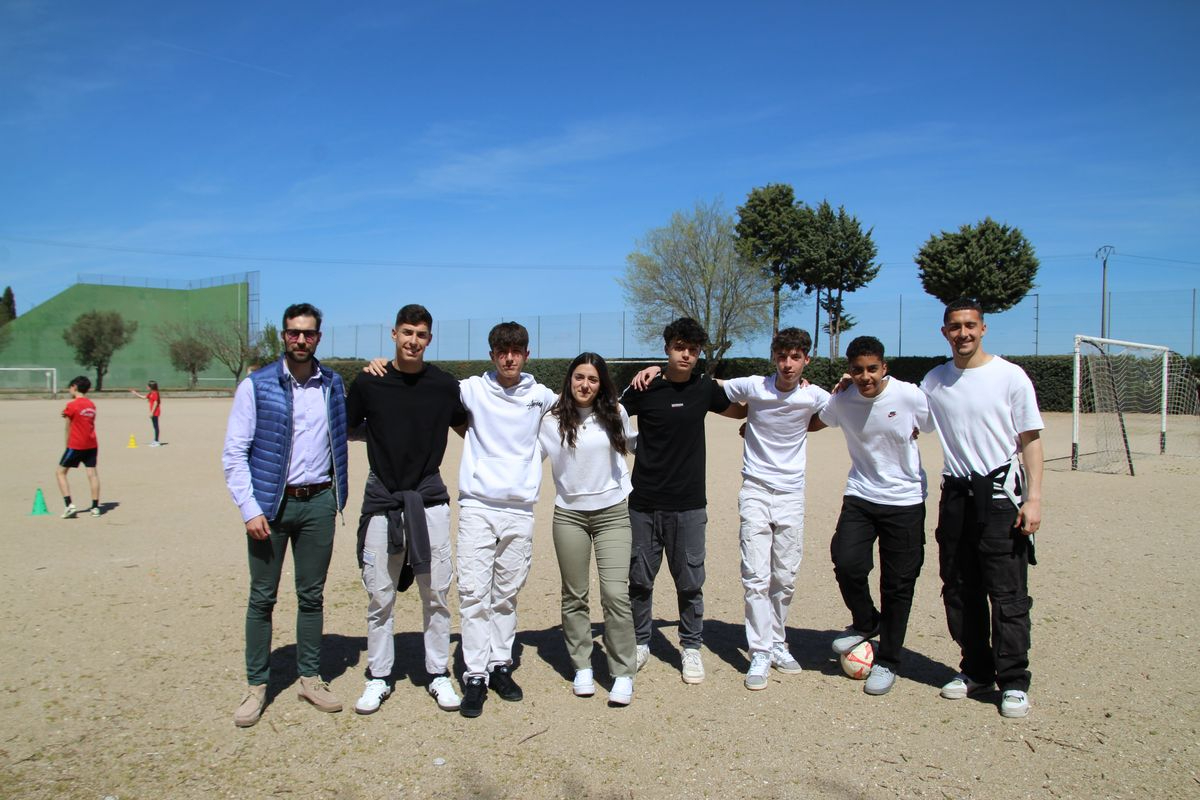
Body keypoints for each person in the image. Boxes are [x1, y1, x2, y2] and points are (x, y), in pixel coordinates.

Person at [222, 303, 349, 728]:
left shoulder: (332, 384)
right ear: (283, 336)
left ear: (318, 336)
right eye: (294, 333)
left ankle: (310, 677)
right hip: (269, 508)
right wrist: (249, 508)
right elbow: (234, 454)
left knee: (311, 595)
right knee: (263, 597)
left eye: (308, 333)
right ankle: (257, 685)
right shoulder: (255, 386)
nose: (300, 340)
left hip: (318, 503)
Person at [921, 298, 1044, 719]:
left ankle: (1013, 680)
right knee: (957, 585)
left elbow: (1031, 438)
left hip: (999, 494)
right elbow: (905, 415)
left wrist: (1035, 498)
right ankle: (975, 669)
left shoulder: (1010, 376)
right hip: (955, 493)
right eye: (955, 326)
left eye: (970, 325)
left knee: (1006, 591)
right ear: (944, 332)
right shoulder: (934, 380)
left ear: (984, 328)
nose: (963, 333)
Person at [347, 304, 467, 715]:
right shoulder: (369, 381)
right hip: (384, 500)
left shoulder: (444, 385)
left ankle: (438, 673)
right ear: (393, 334)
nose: (413, 340)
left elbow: (467, 425)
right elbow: (347, 426)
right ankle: (378, 676)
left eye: (421, 334)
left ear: (429, 339)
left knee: (435, 594)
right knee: (380, 595)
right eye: (407, 332)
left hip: (429, 501)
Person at [621, 317, 744, 684]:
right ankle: (641, 640)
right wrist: (629, 442)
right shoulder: (645, 387)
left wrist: (782, 402)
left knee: (690, 582)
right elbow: (608, 414)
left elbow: (745, 408)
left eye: (693, 349)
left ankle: (691, 647)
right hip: (643, 501)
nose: (686, 355)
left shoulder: (705, 388)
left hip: (689, 504)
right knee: (639, 579)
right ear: (667, 349)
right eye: (679, 348)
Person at [820, 335, 933, 696]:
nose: (865, 376)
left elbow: (929, 424)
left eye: (872, 369)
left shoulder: (909, 395)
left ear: (884, 368)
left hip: (905, 500)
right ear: (849, 371)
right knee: (847, 560)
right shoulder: (842, 399)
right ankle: (866, 622)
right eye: (857, 370)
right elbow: (813, 419)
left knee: (898, 584)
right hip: (862, 495)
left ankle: (888, 660)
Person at [455, 322, 557, 717]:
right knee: (474, 593)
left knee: (506, 593)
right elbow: (423, 388)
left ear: (527, 355)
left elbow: (588, 401)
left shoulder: (541, 396)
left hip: (520, 508)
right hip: (478, 505)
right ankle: (475, 675)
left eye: (516, 350)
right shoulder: (471, 390)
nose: (509, 357)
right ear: (492, 353)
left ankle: (501, 665)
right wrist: (380, 364)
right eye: (502, 350)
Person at [722, 328, 829, 690]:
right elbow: (712, 387)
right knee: (755, 576)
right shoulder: (754, 387)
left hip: (791, 495)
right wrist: (658, 372)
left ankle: (779, 642)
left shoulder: (814, 395)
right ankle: (761, 651)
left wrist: (846, 383)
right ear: (774, 357)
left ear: (806, 360)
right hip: (754, 488)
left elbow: (845, 408)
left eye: (796, 357)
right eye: (782, 356)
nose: (788, 364)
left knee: (785, 576)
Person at [538, 352, 638, 705]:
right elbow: (527, 459)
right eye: (579, 377)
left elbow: (637, 445)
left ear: (602, 384)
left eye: (593, 379)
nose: (585, 385)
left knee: (615, 594)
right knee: (574, 595)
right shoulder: (550, 421)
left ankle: (623, 671)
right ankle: (582, 665)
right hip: (569, 516)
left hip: (612, 512)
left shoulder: (615, 414)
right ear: (569, 380)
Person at [57, 375, 101, 519]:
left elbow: (68, 426)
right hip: (91, 444)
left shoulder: (72, 405)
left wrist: (66, 445)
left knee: (60, 472)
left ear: (74, 387)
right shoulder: (91, 404)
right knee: (92, 474)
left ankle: (69, 505)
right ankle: (95, 507)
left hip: (76, 445)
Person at [130, 381, 162, 446]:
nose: (147, 387)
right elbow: (144, 397)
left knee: (156, 427)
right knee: (154, 426)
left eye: (148, 386)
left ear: (151, 387)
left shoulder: (155, 393)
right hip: (153, 412)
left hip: (155, 412)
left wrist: (152, 412)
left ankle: (156, 441)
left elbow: (156, 403)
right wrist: (136, 393)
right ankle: (155, 440)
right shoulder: (151, 393)